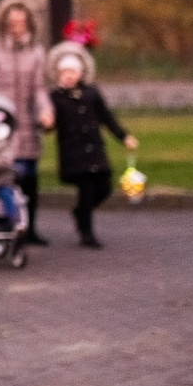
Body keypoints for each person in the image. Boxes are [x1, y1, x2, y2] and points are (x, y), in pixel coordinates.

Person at [0, 0, 54, 245]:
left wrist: (46, 110)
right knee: (5, 173)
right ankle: (4, 223)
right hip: (0, 123)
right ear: (4, 24)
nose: (17, 27)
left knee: (30, 176)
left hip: (28, 123)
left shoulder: (36, 52)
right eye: (12, 23)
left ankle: (30, 228)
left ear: (29, 24)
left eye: (21, 22)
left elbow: (40, 88)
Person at [48, 41, 138, 248]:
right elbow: (49, 122)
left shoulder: (91, 94)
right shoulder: (56, 98)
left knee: (104, 187)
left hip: (95, 149)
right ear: (59, 75)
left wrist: (123, 136)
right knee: (86, 189)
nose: (68, 76)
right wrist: (46, 123)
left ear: (80, 73)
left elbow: (106, 117)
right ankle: (87, 233)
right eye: (64, 73)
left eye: (72, 72)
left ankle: (80, 212)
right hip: (74, 152)